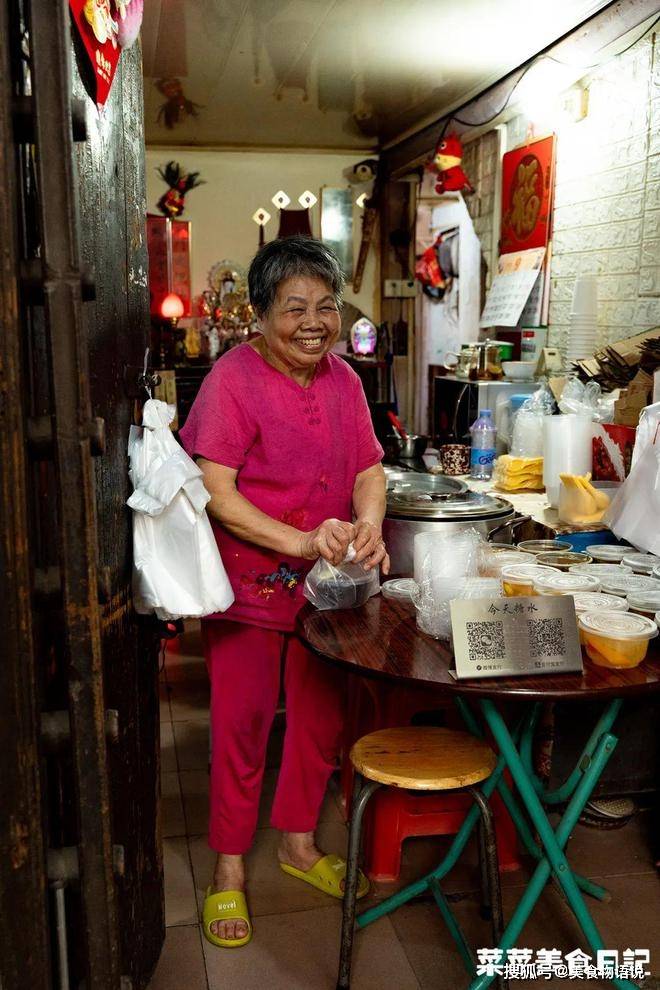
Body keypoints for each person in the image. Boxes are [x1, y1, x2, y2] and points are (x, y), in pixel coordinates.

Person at [179, 235, 389, 948]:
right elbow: (215, 492)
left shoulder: (345, 380)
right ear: (259, 315)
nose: (313, 322)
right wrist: (299, 541)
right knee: (240, 725)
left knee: (319, 718)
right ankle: (229, 869)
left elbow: (369, 468)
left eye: (326, 306)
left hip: (328, 592)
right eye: (294, 306)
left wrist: (368, 525)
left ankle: (299, 846)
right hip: (248, 587)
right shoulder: (232, 380)